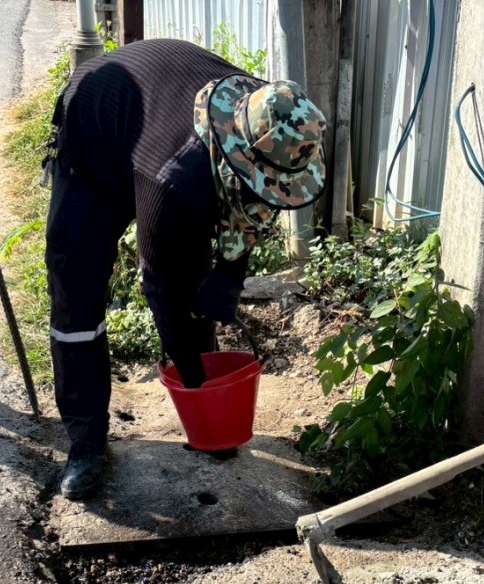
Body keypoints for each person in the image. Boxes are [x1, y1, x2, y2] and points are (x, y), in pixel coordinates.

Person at [45, 38, 326, 499]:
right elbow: (163, 289)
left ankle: (206, 411)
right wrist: (198, 387)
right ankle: (86, 439)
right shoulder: (176, 178)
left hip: (158, 121)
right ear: (233, 154)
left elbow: (251, 201)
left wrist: (230, 271)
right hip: (95, 130)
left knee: (196, 285)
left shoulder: (275, 117)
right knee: (76, 280)